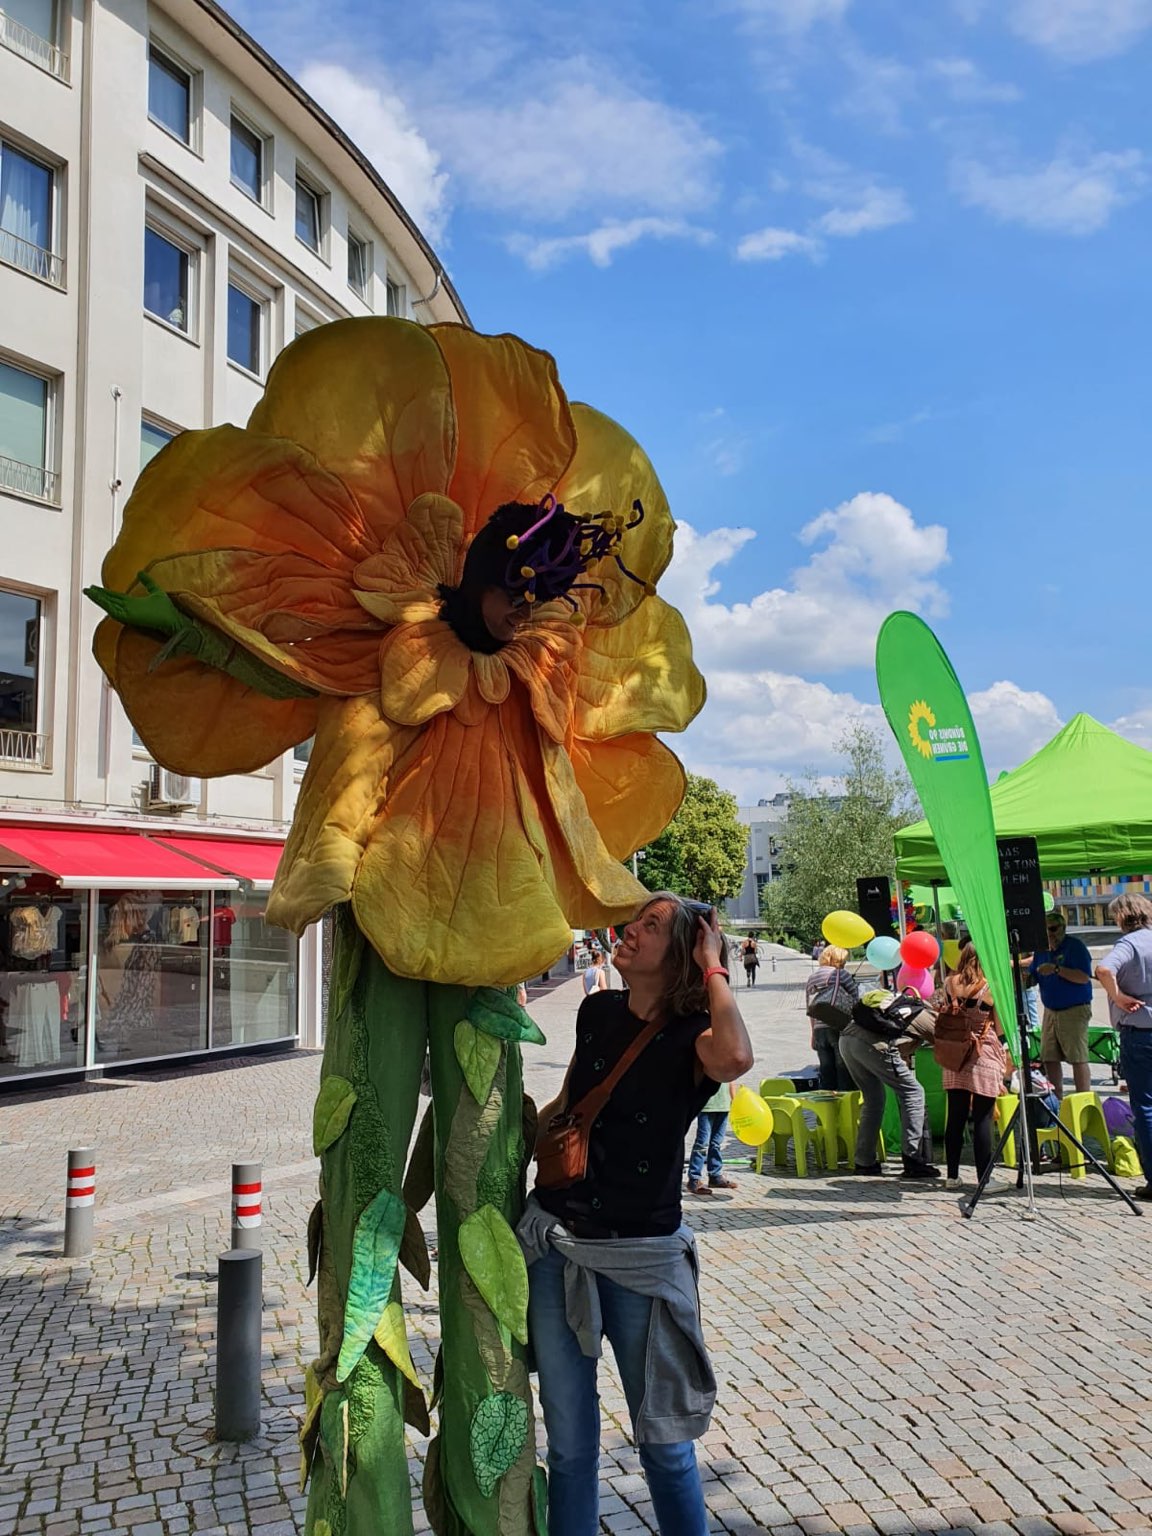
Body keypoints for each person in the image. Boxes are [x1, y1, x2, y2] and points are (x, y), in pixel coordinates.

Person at [518, 892, 754, 1536]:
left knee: (665, 1448)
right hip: (559, 1243)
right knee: (569, 1447)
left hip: (641, 1256)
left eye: (651, 926)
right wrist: (515, 1153)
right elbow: (569, 1102)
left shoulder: (694, 1037)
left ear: (678, 956)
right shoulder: (596, 1012)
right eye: (635, 920)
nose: (630, 930)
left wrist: (713, 963)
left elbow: (736, 1058)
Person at [838, 991, 941, 1180]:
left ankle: (864, 1161)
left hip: (846, 1040)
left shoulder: (903, 1005)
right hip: (872, 1045)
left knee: (873, 1100)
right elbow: (946, 1042)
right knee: (913, 1093)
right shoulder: (927, 1015)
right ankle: (913, 1160)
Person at [937, 944, 1009, 1191]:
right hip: (982, 1054)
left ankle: (952, 1176)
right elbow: (1000, 1028)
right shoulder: (990, 988)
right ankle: (984, 1179)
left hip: (954, 1053)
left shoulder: (949, 983)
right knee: (982, 1118)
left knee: (955, 1116)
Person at [1095, 893, 1152, 1201]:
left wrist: (1117, 997)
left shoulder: (1128, 944)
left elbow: (1104, 970)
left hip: (1140, 1032)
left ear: (1121, 917)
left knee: (1146, 1106)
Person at [1027, 910, 1094, 1098]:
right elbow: (1033, 975)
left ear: (1063, 928)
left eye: (1053, 929)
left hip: (1074, 1009)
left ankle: (1082, 1099)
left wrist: (1056, 969)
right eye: (1046, 930)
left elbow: (1083, 977)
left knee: (1077, 1057)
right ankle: (1056, 1100)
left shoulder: (1075, 947)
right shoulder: (1041, 950)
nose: (1050, 934)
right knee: (1049, 1056)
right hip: (1050, 1010)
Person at [804, 945, 858, 1091]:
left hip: (819, 1030)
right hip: (839, 1027)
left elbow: (810, 1008)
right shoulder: (841, 974)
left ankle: (828, 1103)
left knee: (826, 1072)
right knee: (843, 1070)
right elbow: (856, 1000)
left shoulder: (812, 978)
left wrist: (813, 1034)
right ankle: (846, 1103)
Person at [686, 1080, 736, 1195]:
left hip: (724, 1105)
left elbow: (731, 1081)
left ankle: (715, 1176)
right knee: (702, 1144)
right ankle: (694, 1179)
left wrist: (734, 1100)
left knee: (716, 1144)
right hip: (706, 1106)